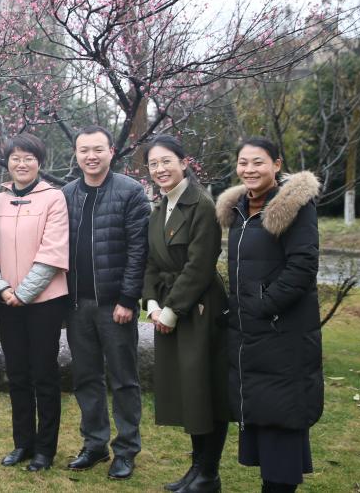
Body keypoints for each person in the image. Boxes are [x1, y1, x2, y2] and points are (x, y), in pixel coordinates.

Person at [215, 137, 322, 493]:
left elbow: (303, 266)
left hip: (281, 331)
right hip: (250, 332)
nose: (249, 169)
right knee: (264, 415)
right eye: (243, 162)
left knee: (282, 417)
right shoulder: (240, 210)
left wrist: (264, 306)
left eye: (258, 162)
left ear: (276, 164)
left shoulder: (294, 206)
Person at [141, 135, 229, 493]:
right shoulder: (161, 207)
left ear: (183, 162)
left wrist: (173, 310)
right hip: (168, 305)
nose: (160, 169)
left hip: (200, 308)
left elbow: (199, 265)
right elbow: (151, 261)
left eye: (166, 161)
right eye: (153, 164)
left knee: (205, 389)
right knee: (189, 390)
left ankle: (209, 473)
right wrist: (151, 303)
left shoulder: (202, 205)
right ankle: (196, 470)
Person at [62, 124, 150, 480]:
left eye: (98, 149)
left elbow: (139, 250)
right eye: (84, 150)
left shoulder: (130, 192)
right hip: (76, 304)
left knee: (124, 379)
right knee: (86, 377)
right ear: (76, 154)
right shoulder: (67, 193)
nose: (91, 156)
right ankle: (94, 443)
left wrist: (128, 298)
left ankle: (126, 449)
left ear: (112, 152)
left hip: (115, 305)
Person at [0, 133, 69, 473]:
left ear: (39, 162)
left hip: (44, 301)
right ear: (7, 162)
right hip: (6, 299)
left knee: (44, 374)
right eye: (16, 158)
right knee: (17, 372)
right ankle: (23, 443)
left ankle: (45, 449)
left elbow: (53, 251)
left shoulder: (54, 198)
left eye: (29, 158)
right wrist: (1, 289)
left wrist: (24, 293)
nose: (22, 164)